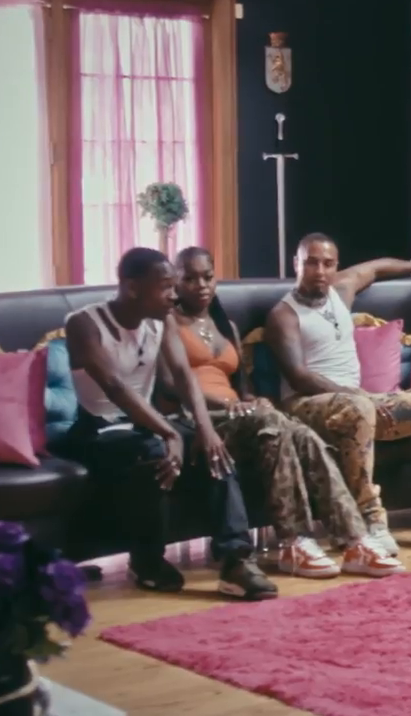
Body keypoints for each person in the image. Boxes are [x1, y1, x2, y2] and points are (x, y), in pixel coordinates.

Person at [169, 247, 404, 579]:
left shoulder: (224, 324)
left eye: (207, 277)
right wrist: (229, 405)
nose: (201, 285)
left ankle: (355, 541)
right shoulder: (166, 323)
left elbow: (242, 387)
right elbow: (172, 385)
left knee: (303, 435)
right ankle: (294, 542)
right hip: (198, 419)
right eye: (190, 278)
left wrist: (254, 400)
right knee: (273, 425)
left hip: (239, 417)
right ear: (175, 282)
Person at [55, 248, 273, 600]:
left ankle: (236, 560)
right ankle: (146, 560)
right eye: (165, 287)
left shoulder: (162, 319)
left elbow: (185, 377)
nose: (174, 295)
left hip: (145, 424)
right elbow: (114, 386)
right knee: (155, 452)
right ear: (132, 288)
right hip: (96, 430)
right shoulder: (84, 323)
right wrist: (169, 432)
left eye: (174, 286)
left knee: (214, 452)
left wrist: (205, 431)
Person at [266, 233, 411, 548]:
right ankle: (368, 519)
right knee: (360, 407)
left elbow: (376, 268)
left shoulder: (342, 290)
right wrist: (355, 395)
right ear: (296, 263)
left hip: (353, 401)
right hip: (304, 405)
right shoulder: (284, 315)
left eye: (328, 264)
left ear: (336, 266)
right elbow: (299, 376)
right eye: (311, 263)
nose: (320, 271)